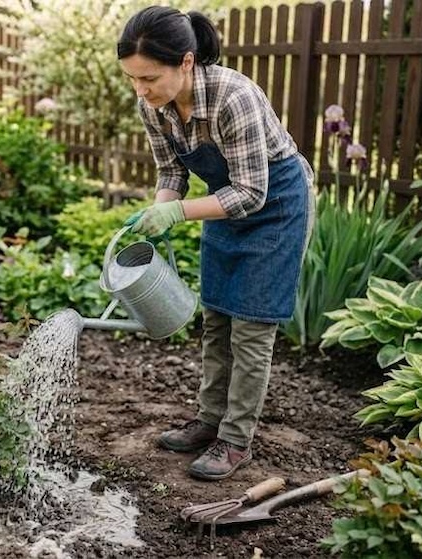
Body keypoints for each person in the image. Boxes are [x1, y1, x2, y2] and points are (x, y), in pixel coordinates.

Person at [117, 6, 315, 480]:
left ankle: (235, 440)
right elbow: (172, 171)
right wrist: (160, 210)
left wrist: (178, 211)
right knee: (217, 317)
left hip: (276, 205)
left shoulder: (234, 97)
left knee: (251, 326)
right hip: (225, 203)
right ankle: (208, 422)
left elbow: (251, 191)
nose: (141, 91)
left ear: (186, 62)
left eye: (149, 78)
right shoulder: (154, 106)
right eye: (132, 79)